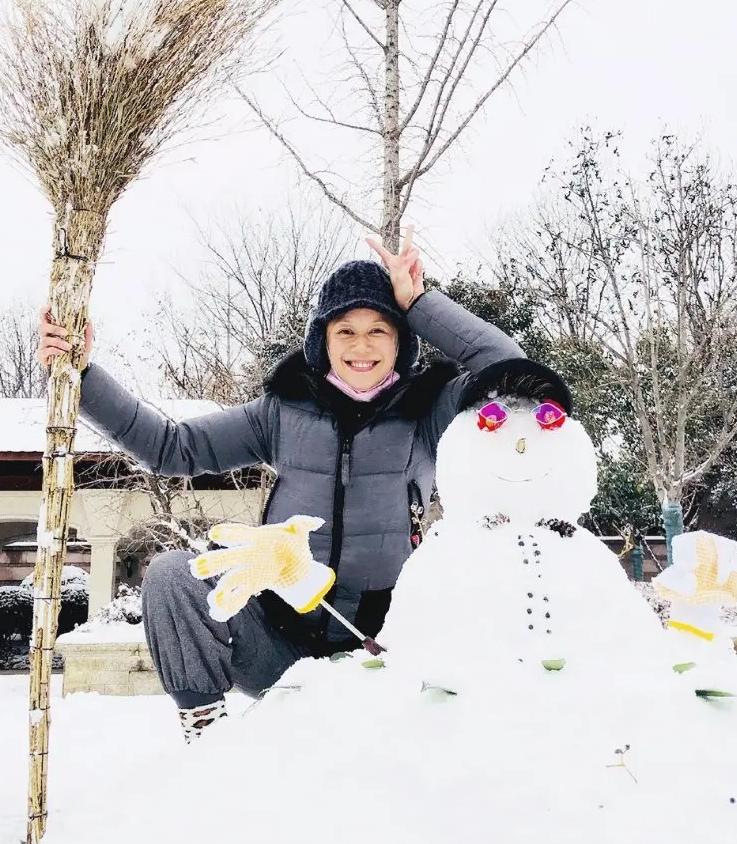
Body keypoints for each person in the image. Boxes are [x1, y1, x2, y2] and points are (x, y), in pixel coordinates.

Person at [37, 227, 524, 742]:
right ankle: (206, 734)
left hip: (379, 651)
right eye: (345, 331)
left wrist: (418, 302)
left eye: (379, 330)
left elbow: (508, 368)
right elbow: (170, 447)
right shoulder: (281, 414)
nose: (362, 347)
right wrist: (83, 376)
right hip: (279, 645)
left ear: (401, 343)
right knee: (173, 575)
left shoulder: (430, 413)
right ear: (323, 341)